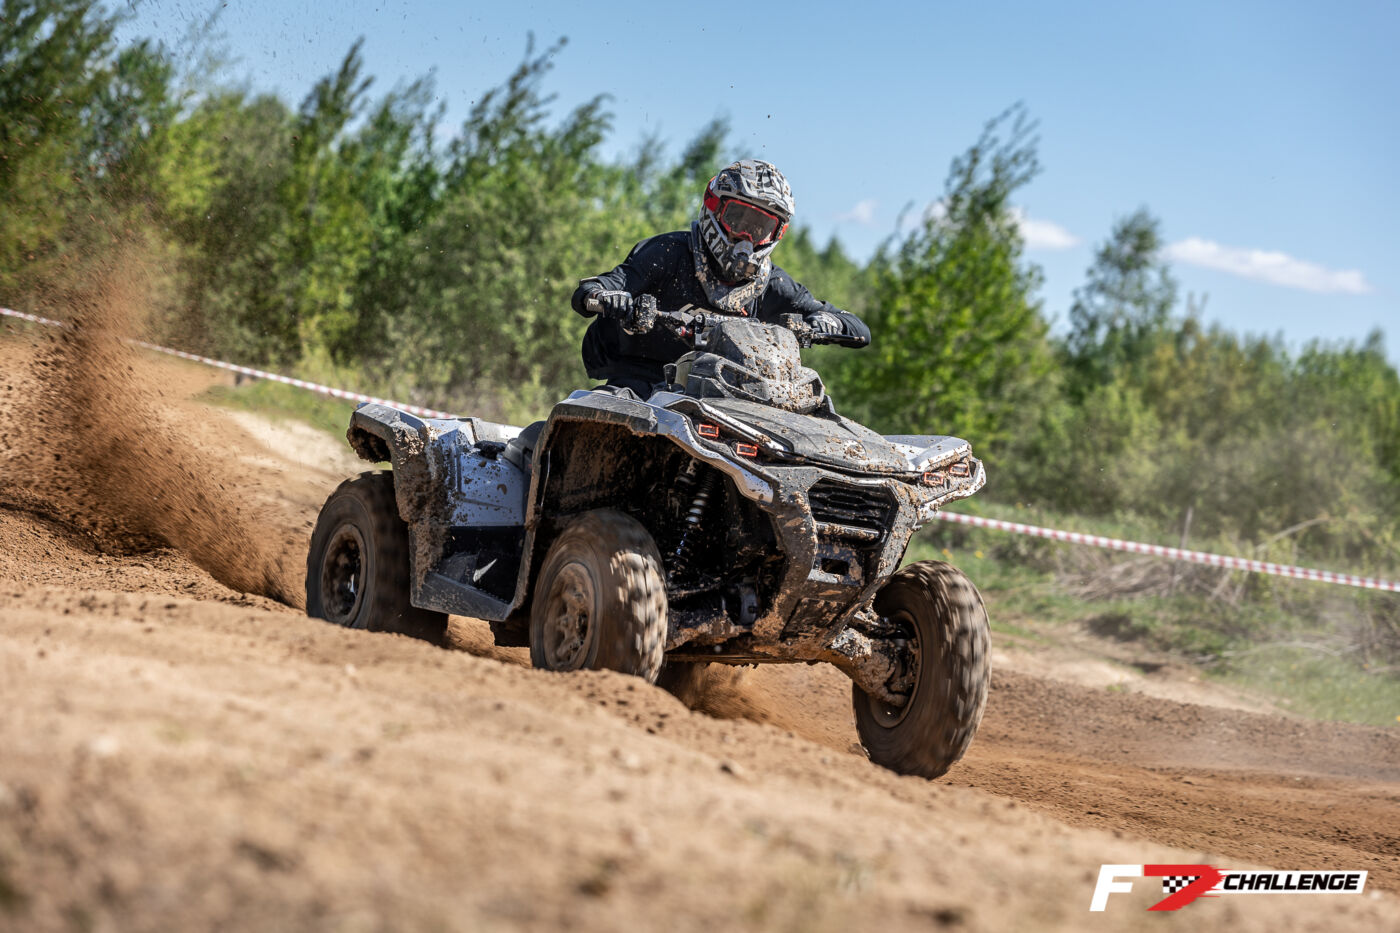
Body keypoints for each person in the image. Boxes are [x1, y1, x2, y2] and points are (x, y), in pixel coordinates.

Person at [571, 159, 870, 398]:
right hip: (642, 381)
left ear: (777, 233)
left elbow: (859, 330)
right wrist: (611, 298)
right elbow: (591, 290)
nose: (747, 237)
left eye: (761, 227)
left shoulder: (772, 284)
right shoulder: (667, 252)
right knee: (601, 410)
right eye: (738, 219)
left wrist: (820, 324)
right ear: (713, 207)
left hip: (728, 393)